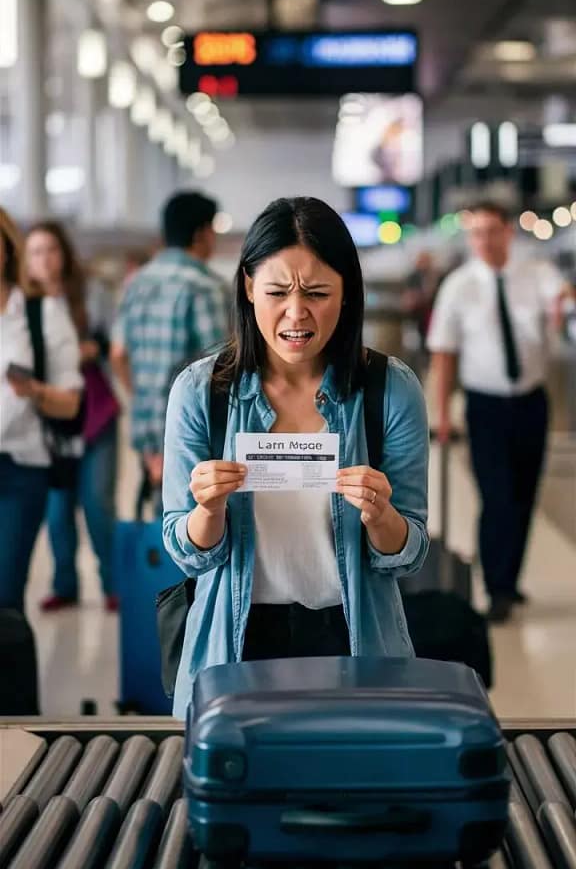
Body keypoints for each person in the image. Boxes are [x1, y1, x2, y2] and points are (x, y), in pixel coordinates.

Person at [162, 196, 430, 719]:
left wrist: (382, 515)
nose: (296, 313)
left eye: (317, 293)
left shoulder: (389, 390)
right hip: (234, 645)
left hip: (353, 641)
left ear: (347, 293)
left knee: (352, 796)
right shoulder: (202, 393)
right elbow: (184, 550)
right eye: (277, 291)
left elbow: (411, 550)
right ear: (247, 287)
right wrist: (207, 511)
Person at [427, 201, 574, 624]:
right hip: (484, 405)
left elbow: (561, 297)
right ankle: (494, 589)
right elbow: (444, 355)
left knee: (525, 494)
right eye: (476, 233)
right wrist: (441, 413)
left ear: (509, 232)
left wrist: (564, 302)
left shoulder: (536, 274)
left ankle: (509, 580)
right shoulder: (458, 286)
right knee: (496, 496)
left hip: (531, 401)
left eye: (492, 231)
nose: (485, 241)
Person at [111, 191, 230, 515]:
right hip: (193, 428)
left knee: (160, 517)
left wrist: (143, 401)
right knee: (195, 525)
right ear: (202, 233)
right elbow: (220, 367)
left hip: (145, 426)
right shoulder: (205, 286)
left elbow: (118, 353)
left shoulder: (136, 283)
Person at [24, 222, 120, 612]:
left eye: (50, 249)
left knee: (98, 503)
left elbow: (112, 342)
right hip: (48, 424)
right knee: (57, 509)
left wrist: (88, 349)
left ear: (63, 254)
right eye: (35, 252)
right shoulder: (20, 305)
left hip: (95, 413)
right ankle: (65, 585)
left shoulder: (91, 293)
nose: (44, 259)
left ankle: (113, 583)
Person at [0, 208, 82, 612]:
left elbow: (70, 403)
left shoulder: (40, 313)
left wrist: (32, 389)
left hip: (20, 469)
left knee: (6, 599)